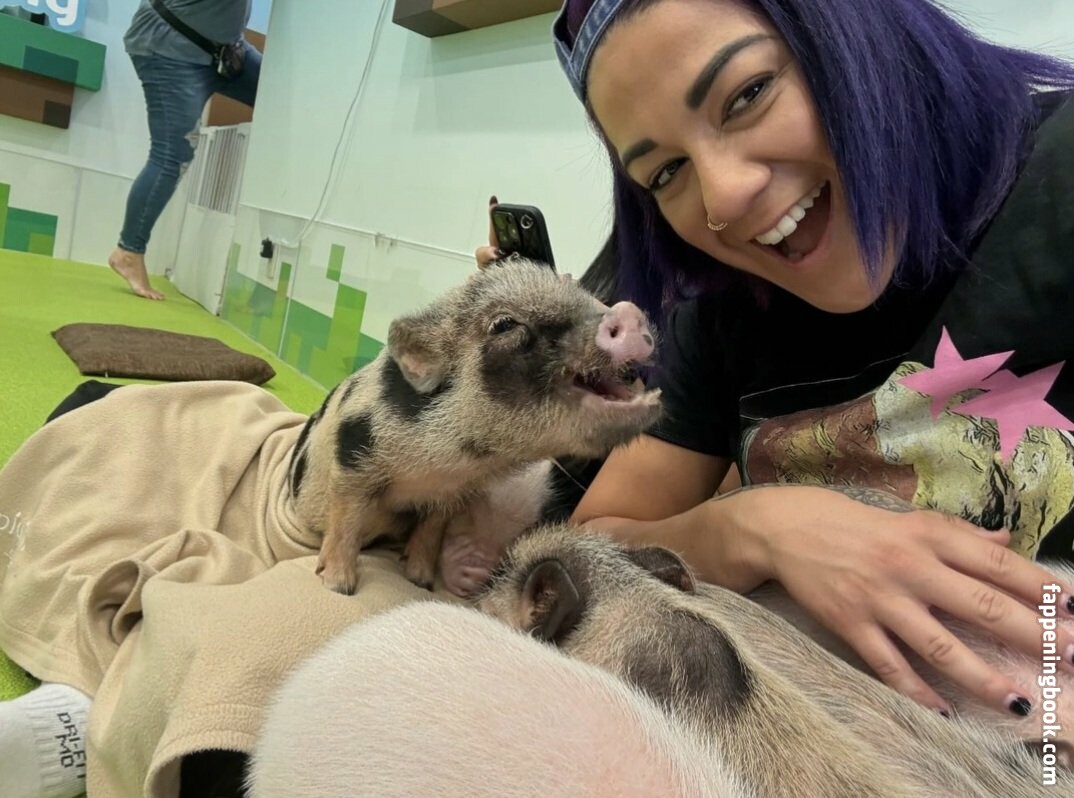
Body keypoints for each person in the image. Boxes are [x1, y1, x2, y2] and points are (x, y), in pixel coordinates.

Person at [480, 0, 1074, 718]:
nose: (724, 198)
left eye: (748, 95)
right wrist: (757, 528)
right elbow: (591, 541)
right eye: (666, 173)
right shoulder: (723, 310)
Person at [107, 0, 261, 300]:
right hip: (170, 49)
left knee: (285, 94)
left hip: (224, 49)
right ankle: (128, 251)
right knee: (171, 155)